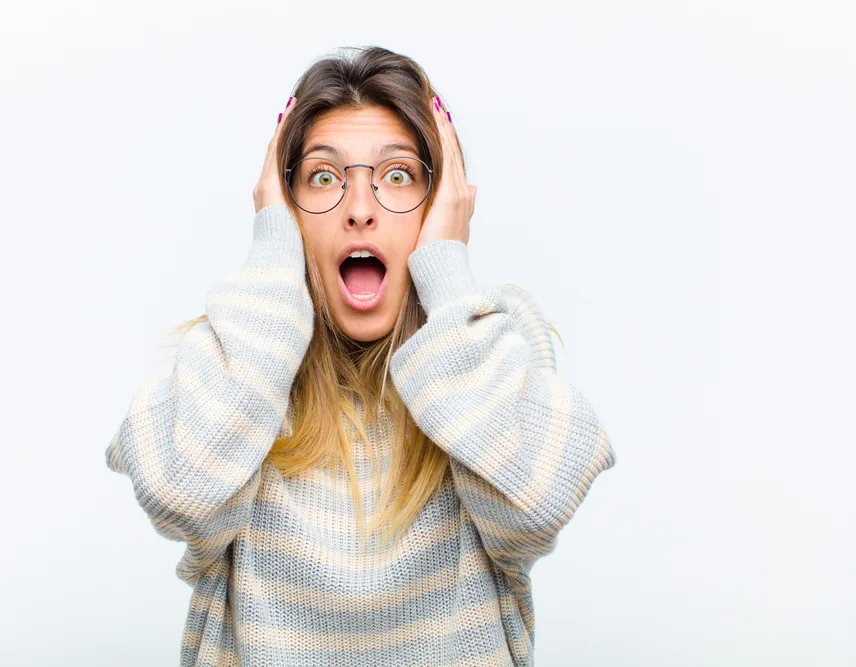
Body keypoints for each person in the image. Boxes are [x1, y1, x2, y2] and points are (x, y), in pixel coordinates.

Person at [105, 45, 617, 667]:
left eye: (398, 176)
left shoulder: (493, 346)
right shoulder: (237, 360)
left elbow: (535, 507)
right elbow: (180, 497)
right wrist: (273, 259)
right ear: (284, 209)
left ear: (441, 205)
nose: (359, 209)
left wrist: (448, 273)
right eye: (322, 178)